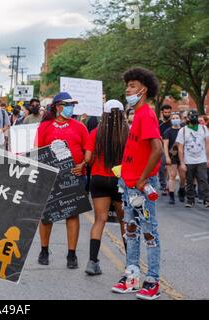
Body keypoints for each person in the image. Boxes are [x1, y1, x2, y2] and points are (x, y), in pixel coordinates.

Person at [111, 67, 163, 300]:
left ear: (143, 89)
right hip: (129, 185)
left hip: (142, 185)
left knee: (149, 234)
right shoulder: (137, 114)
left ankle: (152, 281)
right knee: (130, 232)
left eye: (132, 86)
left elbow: (157, 149)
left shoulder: (146, 114)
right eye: (127, 85)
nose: (127, 90)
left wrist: (142, 179)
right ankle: (131, 276)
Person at [35, 92, 89, 268]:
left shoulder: (80, 126)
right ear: (58, 106)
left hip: (74, 175)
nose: (71, 108)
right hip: (50, 176)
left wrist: (83, 164)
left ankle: (71, 254)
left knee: (72, 214)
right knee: (47, 215)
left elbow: (88, 150)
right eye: (68, 104)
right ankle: (44, 250)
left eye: (72, 104)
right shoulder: (45, 127)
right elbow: (38, 150)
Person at [84, 100, 128, 275]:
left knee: (99, 220)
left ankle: (92, 262)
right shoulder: (127, 134)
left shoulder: (96, 132)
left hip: (99, 179)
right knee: (125, 221)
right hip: (120, 180)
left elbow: (88, 159)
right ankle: (130, 264)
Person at [176, 110, 209, 208]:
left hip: (201, 159)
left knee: (203, 180)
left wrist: (207, 158)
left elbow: (207, 144)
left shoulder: (203, 128)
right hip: (188, 160)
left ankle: (207, 199)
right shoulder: (183, 130)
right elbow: (180, 147)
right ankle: (190, 200)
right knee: (189, 181)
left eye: (195, 116)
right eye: (192, 116)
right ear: (188, 118)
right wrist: (182, 162)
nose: (194, 118)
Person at [163, 112, 186, 204]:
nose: (175, 119)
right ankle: (171, 196)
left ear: (180, 119)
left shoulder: (184, 130)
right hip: (172, 155)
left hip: (183, 155)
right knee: (172, 176)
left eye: (177, 117)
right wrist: (167, 157)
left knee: (183, 177)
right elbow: (165, 146)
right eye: (173, 118)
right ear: (171, 120)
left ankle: (181, 190)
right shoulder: (167, 131)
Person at [158, 105, 173, 195]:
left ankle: (169, 186)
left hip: (173, 148)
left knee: (171, 168)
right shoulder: (158, 123)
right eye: (165, 112)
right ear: (162, 112)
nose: (167, 114)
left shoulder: (173, 122)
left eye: (169, 112)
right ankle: (163, 185)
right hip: (162, 148)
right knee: (162, 168)